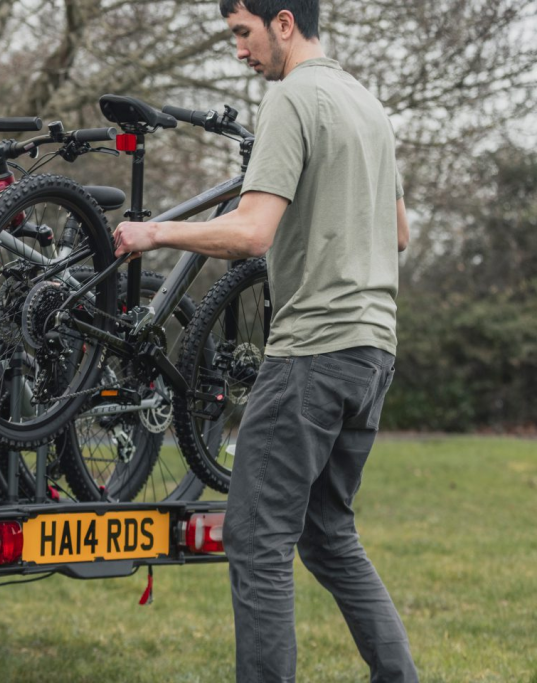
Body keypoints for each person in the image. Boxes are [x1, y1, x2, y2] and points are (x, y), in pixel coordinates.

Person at [113, 1, 417, 680]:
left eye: (242, 34)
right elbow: (398, 233)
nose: (239, 51)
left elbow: (252, 232)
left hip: (313, 352)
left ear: (284, 22)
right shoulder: (367, 105)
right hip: (373, 350)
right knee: (329, 533)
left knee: (255, 538)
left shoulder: (293, 99)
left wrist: (153, 231)